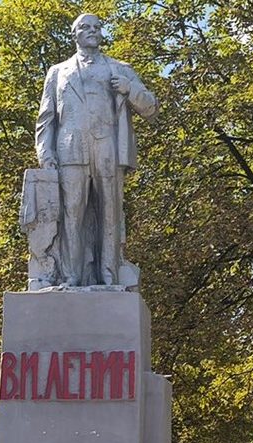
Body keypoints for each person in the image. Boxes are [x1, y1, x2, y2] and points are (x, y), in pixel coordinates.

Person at [35, 13, 157, 286]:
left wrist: (130, 89)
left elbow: (150, 107)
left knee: (109, 214)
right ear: (74, 34)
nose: (92, 31)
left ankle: (109, 277)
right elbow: (46, 118)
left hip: (108, 148)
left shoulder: (119, 68)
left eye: (97, 27)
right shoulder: (57, 72)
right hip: (70, 150)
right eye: (85, 27)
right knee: (71, 215)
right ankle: (71, 277)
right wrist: (46, 155)